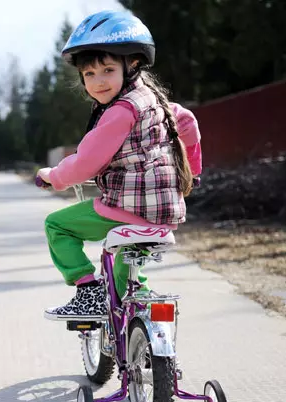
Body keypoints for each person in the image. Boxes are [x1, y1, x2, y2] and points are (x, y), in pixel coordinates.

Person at [37, 10, 203, 320]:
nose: (98, 82)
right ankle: (138, 312)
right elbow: (189, 125)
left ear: (133, 64)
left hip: (126, 209)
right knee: (126, 286)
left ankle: (88, 292)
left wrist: (54, 177)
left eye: (108, 70)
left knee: (56, 225)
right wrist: (193, 171)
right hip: (165, 214)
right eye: (89, 74)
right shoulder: (157, 101)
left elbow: (86, 163)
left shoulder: (119, 112)